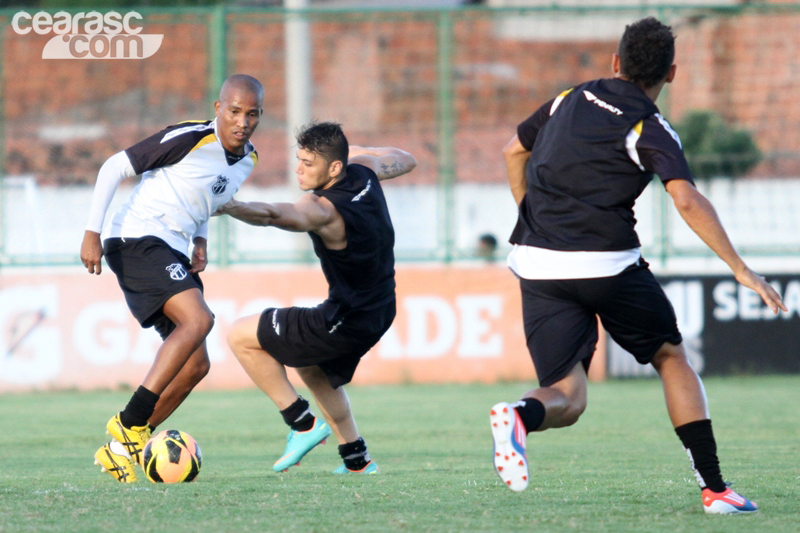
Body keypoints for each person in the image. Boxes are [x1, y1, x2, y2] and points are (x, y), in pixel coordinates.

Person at [493, 17, 786, 514]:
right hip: (607, 266)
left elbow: (513, 151)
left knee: (568, 397)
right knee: (670, 358)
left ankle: (520, 416)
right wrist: (740, 268)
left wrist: (531, 215)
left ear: (615, 61)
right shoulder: (648, 127)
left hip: (538, 264)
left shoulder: (567, 99)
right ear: (671, 74)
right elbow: (687, 200)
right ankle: (715, 490)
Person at [79, 74, 264, 483]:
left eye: (251, 114)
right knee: (199, 320)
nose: (242, 121)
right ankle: (129, 423)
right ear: (218, 109)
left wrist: (199, 238)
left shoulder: (248, 160)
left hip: (172, 247)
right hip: (134, 238)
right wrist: (91, 231)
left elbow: (207, 201)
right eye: (234, 111)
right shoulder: (190, 138)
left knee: (196, 365)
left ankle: (117, 451)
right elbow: (114, 167)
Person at [216, 121, 416, 474]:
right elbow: (406, 158)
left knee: (240, 336)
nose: (298, 169)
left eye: (308, 163)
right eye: (299, 159)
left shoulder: (322, 209)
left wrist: (230, 206)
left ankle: (302, 424)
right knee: (312, 366)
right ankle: (357, 459)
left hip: (346, 318)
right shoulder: (365, 170)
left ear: (333, 168)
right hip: (381, 308)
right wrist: (349, 150)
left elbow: (274, 214)